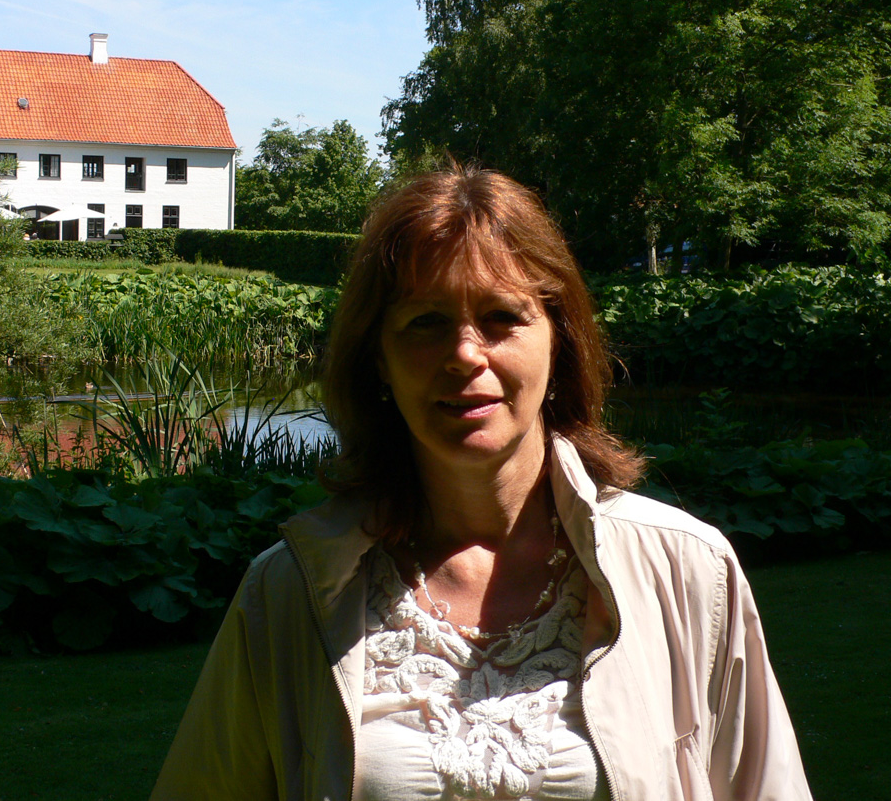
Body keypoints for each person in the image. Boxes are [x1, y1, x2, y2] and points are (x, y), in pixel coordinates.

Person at [151, 165, 812, 800]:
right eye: (426, 323)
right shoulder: (293, 593)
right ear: (378, 358)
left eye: (501, 317)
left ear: (559, 343)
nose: (465, 353)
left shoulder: (688, 572)